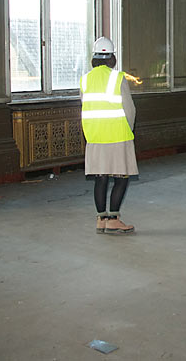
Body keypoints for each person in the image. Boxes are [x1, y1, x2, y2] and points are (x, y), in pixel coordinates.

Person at [81, 37, 138, 234]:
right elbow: (129, 110)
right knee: (121, 177)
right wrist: (129, 130)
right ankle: (113, 218)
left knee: (101, 178)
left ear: (94, 59)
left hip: (95, 136)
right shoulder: (118, 78)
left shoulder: (85, 79)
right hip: (117, 135)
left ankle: (101, 220)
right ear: (112, 58)